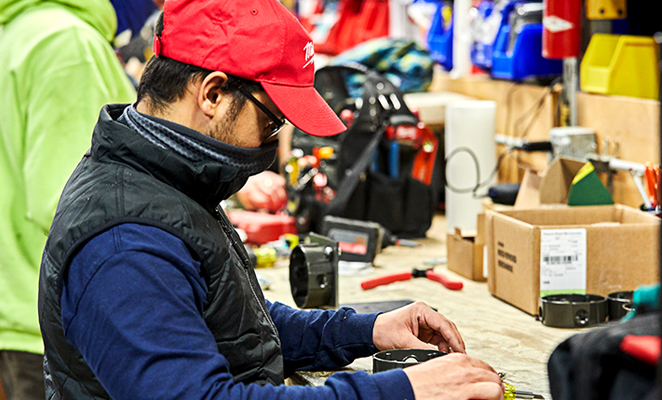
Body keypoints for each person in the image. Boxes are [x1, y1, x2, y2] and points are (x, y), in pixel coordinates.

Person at [38, 1, 504, 399]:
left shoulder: (165, 180)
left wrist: (366, 330)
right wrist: (405, 390)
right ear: (214, 93)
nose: (270, 144)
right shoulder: (125, 244)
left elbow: (230, 325)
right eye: (272, 120)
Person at [0, 0, 156, 398]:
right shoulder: (65, 42)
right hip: (59, 323)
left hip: (20, 307)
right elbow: (76, 206)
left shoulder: (20, 30)